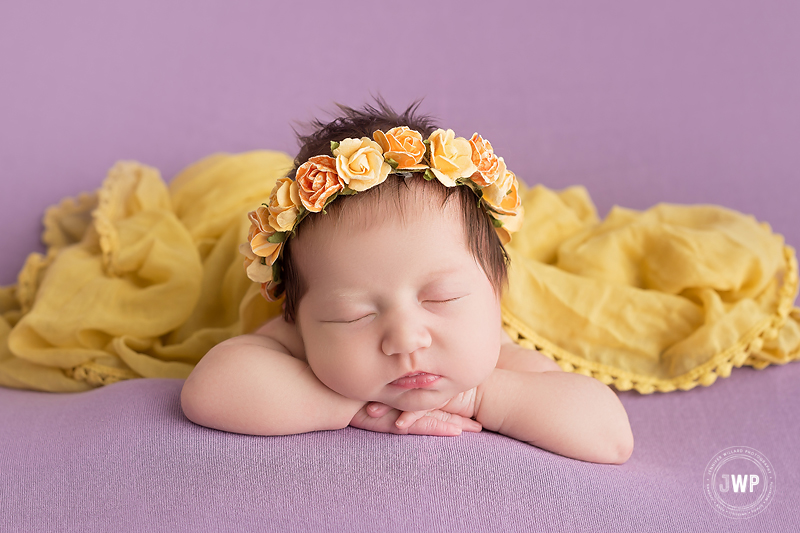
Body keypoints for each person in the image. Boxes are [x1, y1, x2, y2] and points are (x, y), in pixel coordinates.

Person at [180, 99, 634, 465]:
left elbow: (610, 438)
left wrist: (479, 395)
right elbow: (210, 391)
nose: (405, 338)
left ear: (496, 294)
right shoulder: (296, 340)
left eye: (442, 297)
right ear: (297, 317)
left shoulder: (496, 356)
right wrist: (352, 406)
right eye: (353, 315)